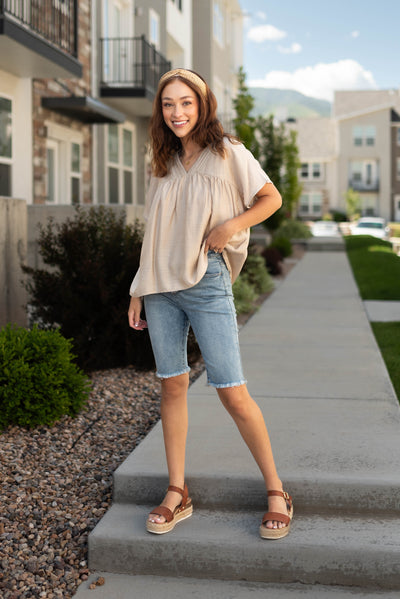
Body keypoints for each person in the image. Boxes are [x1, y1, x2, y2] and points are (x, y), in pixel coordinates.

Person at [128, 68, 293, 540]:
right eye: (168, 104)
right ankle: (177, 491)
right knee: (172, 387)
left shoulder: (229, 153)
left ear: (202, 106)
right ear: (160, 112)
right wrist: (138, 288)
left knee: (231, 389)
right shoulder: (161, 162)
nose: (177, 112)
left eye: (186, 102)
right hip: (159, 286)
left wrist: (228, 228)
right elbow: (152, 232)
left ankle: (277, 491)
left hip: (207, 280)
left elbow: (271, 198)